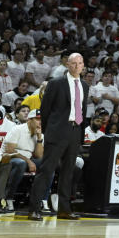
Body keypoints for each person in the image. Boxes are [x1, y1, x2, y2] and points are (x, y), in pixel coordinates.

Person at [28, 52, 88, 220]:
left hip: (75, 131)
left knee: (68, 172)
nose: (77, 66)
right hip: (57, 132)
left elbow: (82, 110)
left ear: (83, 66)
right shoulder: (56, 83)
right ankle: (34, 208)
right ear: (67, 65)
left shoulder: (84, 85)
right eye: (74, 63)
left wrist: (79, 131)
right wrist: (50, 130)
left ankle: (64, 209)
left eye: (80, 63)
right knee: (46, 170)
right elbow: (45, 110)